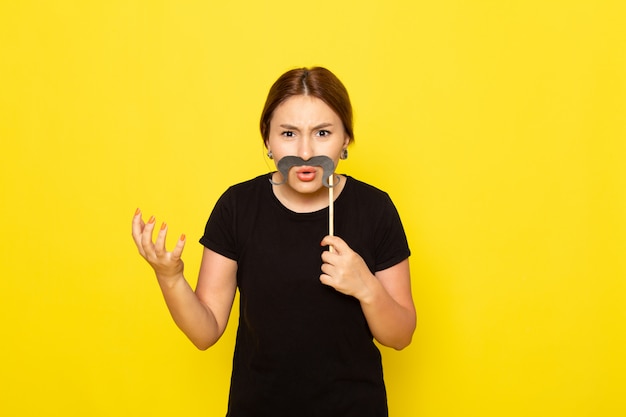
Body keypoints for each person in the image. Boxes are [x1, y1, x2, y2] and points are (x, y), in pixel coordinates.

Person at [131, 67, 416, 417]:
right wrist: (170, 277)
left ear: (345, 140)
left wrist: (366, 286)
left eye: (323, 133)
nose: (306, 151)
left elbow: (401, 336)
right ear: (268, 139)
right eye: (289, 133)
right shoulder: (237, 207)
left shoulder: (375, 209)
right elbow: (205, 333)